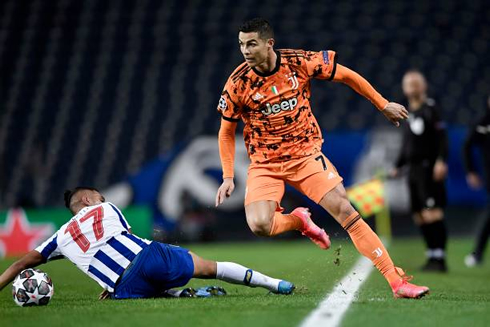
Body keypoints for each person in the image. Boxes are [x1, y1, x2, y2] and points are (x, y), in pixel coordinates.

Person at [215, 17, 428, 299]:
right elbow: (226, 132)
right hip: (265, 164)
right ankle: (300, 221)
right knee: (259, 225)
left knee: (345, 210)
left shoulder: (299, 61)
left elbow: (347, 76)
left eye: (251, 43)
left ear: (269, 44)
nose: (245, 50)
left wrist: (383, 104)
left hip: (305, 156)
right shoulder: (238, 83)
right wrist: (228, 176)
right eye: (241, 44)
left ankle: (396, 281)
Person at [0, 187, 295, 299]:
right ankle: (273, 284)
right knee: (208, 267)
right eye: (98, 195)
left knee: (140, 286)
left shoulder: (59, 237)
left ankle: (179, 295)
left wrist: (108, 284)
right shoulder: (105, 208)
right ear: (89, 200)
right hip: (149, 259)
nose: (102, 197)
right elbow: (122, 242)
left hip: (123, 287)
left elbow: (19, 263)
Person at [392, 70, 449, 272]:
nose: (413, 87)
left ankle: (439, 257)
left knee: (432, 212)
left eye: (416, 83)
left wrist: (441, 160)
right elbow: (407, 144)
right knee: (419, 214)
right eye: (409, 83)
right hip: (413, 170)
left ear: (423, 86)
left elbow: (442, 137)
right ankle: (431, 255)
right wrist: (398, 166)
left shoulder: (431, 108)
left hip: (428, 167)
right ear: (404, 88)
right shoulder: (409, 113)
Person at [463, 96, 490, 267]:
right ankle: (478, 253)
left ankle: (478, 254)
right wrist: (471, 171)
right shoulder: (483, 123)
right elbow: (466, 146)